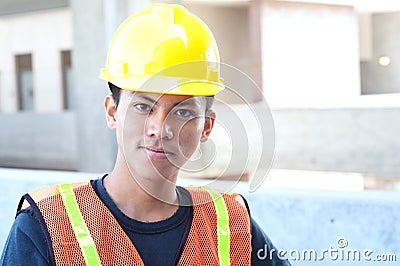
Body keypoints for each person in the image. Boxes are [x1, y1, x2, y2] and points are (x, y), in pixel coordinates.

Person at [1, 3, 290, 265]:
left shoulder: (231, 225)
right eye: (143, 106)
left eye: (183, 112)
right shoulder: (45, 227)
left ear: (207, 126)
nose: (160, 129)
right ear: (112, 112)